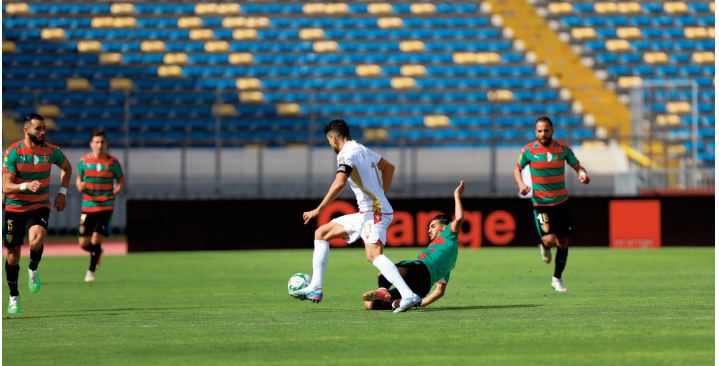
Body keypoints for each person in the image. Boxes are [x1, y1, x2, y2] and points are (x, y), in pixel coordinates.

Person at [291, 119, 422, 313]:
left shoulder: (346, 154)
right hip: (367, 213)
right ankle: (316, 287)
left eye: (328, 141)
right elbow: (389, 167)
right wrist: (380, 195)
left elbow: (339, 183)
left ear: (333, 138)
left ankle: (408, 294)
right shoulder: (362, 149)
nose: (330, 144)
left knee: (373, 255)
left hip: (375, 212)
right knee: (322, 233)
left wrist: (319, 209)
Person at [2, 113, 72, 314]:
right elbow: (6, 187)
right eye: (38, 128)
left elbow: (67, 168)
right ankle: (14, 295)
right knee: (13, 256)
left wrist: (62, 193)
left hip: (39, 205)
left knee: (36, 240)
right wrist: (25, 185)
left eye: (44, 129)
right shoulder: (13, 152)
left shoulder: (51, 152)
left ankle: (33, 267)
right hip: (15, 208)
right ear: (26, 130)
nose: (43, 132)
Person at [513, 116, 590, 292]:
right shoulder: (528, 151)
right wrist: (521, 185)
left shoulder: (563, 149)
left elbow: (578, 166)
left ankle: (557, 279)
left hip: (561, 202)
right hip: (541, 204)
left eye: (546, 130)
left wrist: (582, 175)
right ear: (535, 132)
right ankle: (544, 245)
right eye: (539, 130)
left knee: (563, 242)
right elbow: (517, 168)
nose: (543, 133)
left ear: (552, 130)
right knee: (550, 239)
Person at [362, 181, 465, 311]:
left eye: (433, 226)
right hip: (422, 288)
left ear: (445, 227)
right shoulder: (449, 262)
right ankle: (399, 303)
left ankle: (382, 289)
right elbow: (439, 291)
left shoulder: (449, 235)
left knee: (384, 271)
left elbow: (459, 218)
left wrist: (457, 195)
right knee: (369, 305)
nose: (429, 230)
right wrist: (419, 304)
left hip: (420, 270)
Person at [75, 130, 125, 282]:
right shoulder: (83, 161)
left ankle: (90, 272)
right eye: (96, 142)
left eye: (102, 142)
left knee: (96, 238)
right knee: (83, 244)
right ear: (91, 144)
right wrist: (80, 186)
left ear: (106, 144)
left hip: (105, 207)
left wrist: (118, 187)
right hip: (88, 206)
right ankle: (98, 252)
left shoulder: (113, 162)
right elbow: (79, 179)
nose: (99, 145)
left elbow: (120, 179)